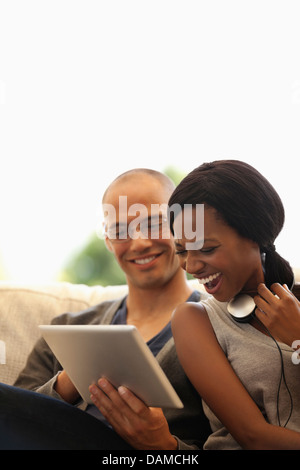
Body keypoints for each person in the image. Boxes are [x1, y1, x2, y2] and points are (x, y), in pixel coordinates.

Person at [7, 168, 211, 450]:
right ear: (108, 242)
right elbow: (10, 416)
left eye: (154, 223)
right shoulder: (67, 329)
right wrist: (69, 380)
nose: (139, 242)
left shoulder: (217, 326)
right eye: (120, 230)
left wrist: (164, 446)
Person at [168, 159, 300, 450]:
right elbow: (253, 436)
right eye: (181, 251)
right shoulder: (195, 319)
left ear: (255, 235)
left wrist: (298, 338)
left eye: (207, 249)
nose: (191, 266)